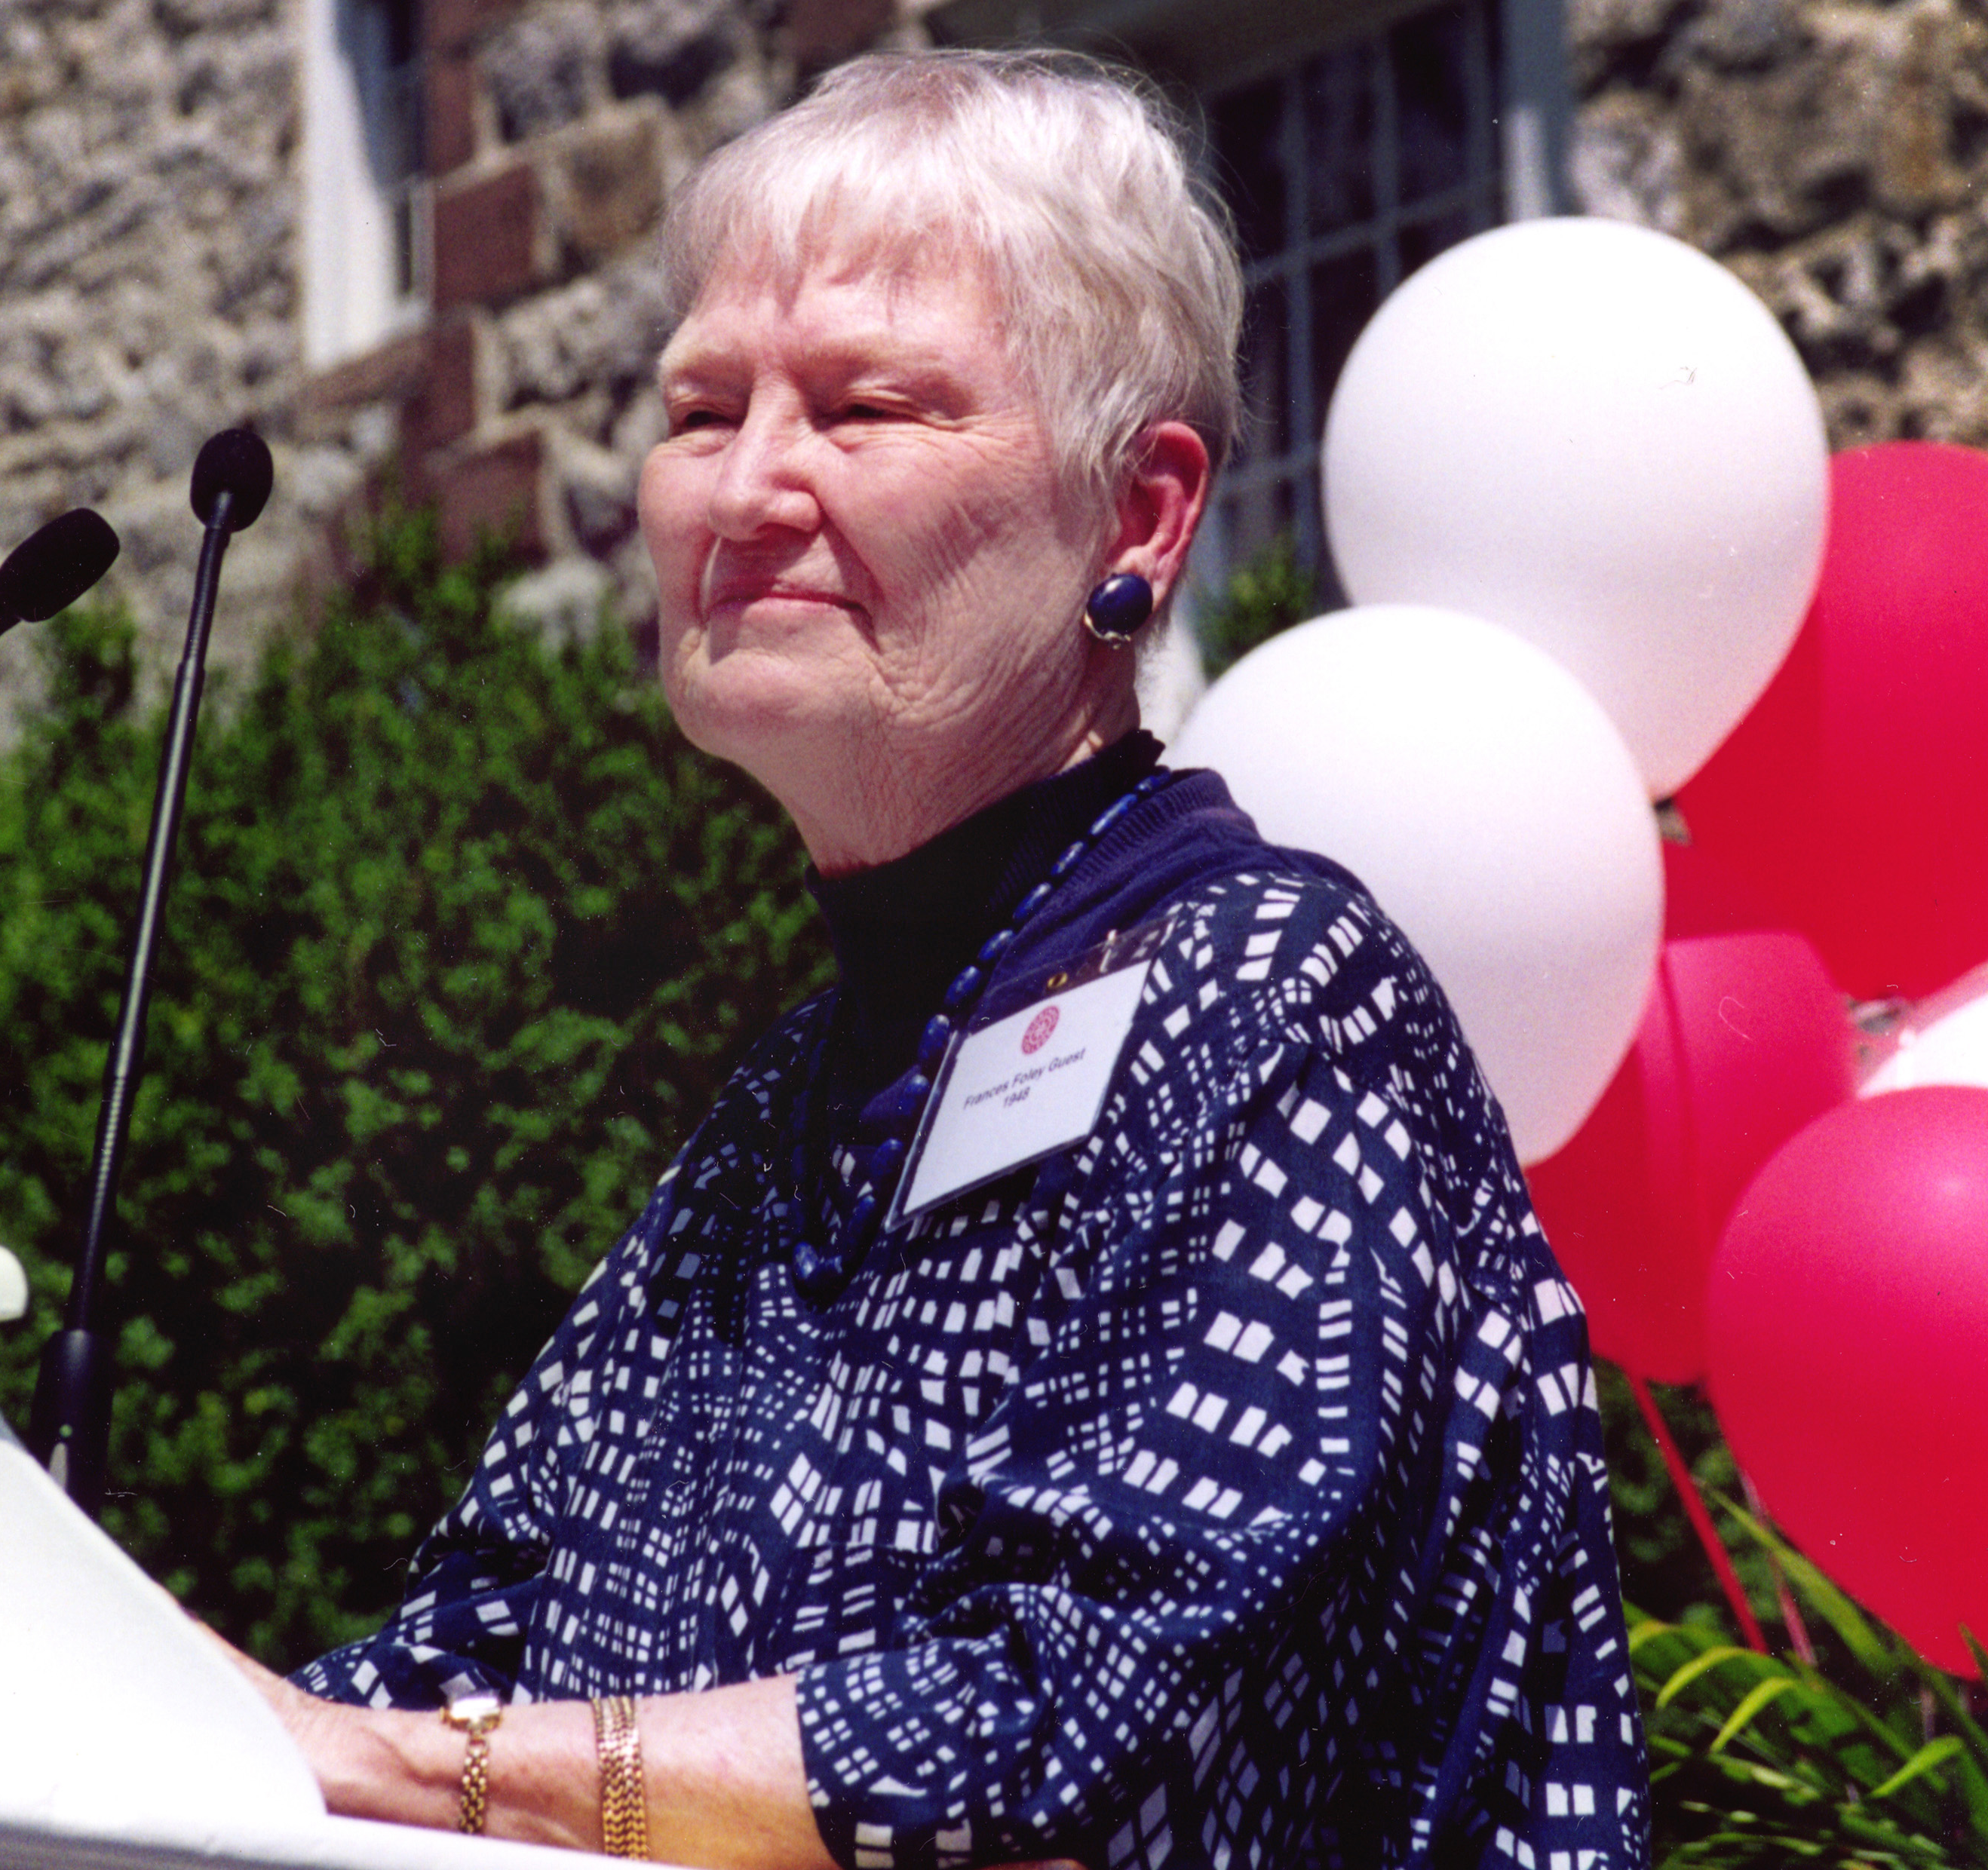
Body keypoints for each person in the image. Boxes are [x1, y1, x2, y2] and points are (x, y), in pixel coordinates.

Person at [224, 48, 1649, 1870]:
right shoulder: (770, 1131)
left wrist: (423, 1771)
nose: (745, 492)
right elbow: (448, 1673)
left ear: (1136, 516)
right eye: (697, 409)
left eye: (866, 408)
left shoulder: (1274, 1006)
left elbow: (1053, 1735)